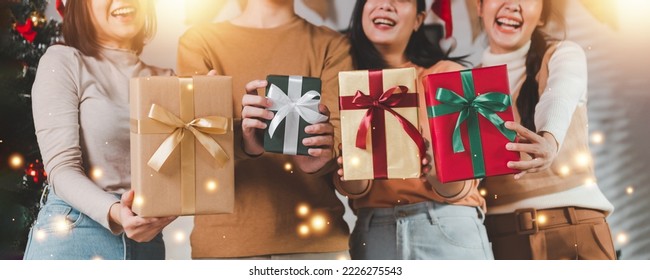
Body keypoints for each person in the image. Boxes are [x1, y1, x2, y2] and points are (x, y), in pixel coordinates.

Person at [177, 0, 352, 259]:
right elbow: (192, 146)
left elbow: (343, 148)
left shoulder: (332, 45)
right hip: (226, 245)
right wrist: (245, 142)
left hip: (317, 246)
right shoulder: (198, 41)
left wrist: (321, 157)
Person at [334, 0, 493, 260]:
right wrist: (351, 168)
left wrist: (435, 169)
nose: (386, 5)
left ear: (419, 20)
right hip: (374, 232)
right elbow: (354, 188)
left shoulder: (446, 76)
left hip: (447, 225)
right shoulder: (345, 86)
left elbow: (456, 189)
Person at [24, 0, 177, 260]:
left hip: (146, 244)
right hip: (74, 234)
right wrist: (117, 212)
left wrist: (240, 137)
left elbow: (191, 164)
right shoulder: (63, 61)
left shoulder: (169, 80)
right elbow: (61, 169)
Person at [476, 0, 616, 259]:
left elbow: (560, 94)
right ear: (479, 7)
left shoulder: (563, 54)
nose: (512, 5)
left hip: (573, 229)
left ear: (542, 17)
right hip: (500, 240)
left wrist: (549, 139)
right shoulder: (463, 87)